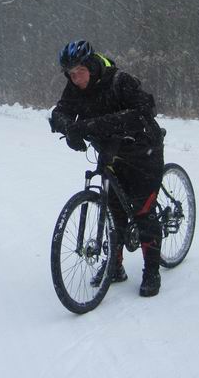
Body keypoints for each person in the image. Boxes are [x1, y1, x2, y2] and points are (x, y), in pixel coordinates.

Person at [49, 40, 165, 297]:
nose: (76, 79)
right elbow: (59, 112)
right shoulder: (75, 87)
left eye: (80, 71)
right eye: (71, 74)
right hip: (111, 153)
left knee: (143, 211)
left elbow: (144, 112)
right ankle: (115, 266)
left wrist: (91, 126)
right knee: (113, 210)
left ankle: (152, 270)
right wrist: (70, 129)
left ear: (91, 66)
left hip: (143, 151)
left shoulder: (120, 82)